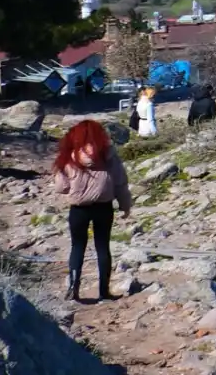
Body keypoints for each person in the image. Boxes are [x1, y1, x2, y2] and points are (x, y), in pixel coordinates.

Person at [53, 120, 132, 302]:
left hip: (79, 209)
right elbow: (120, 182)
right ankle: (104, 292)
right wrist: (125, 205)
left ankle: (73, 288)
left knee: (77, 247)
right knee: (102, 247)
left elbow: (61, 187)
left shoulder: (70, 157)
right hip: (104, 207)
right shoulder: (108, 155)